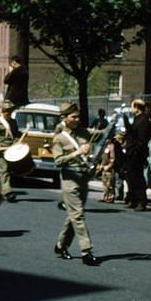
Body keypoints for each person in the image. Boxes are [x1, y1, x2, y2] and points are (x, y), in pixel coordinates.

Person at [52, 101, 100, 266]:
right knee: (78, 215)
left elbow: (98, 136)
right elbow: (58, 161)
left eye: (78, 116)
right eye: (74, 116)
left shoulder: (83, 133)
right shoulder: (59, 138)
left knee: (73, 215)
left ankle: (61, 245)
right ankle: (86, 251)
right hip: (69, 180)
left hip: (83, 177)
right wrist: (77, 152)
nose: (77, 119)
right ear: (64, 118)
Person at [0, 99, 20, 203]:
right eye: (6, 111)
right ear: (2, 111)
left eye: (10, 111)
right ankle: (8, 192)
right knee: (4, 170)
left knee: (8, 170)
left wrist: (20, 137)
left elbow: (15, 134)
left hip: (10, 149)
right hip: (0, 149)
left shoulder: (13, 122)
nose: (8, 113)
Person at [122, 99, 151, 211]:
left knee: (137, 177)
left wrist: (135, 150)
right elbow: (131, 133)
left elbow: (142, 139)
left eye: (132, 107)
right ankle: (133, 199)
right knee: (130, 177)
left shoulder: (143, 120)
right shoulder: (137, 119)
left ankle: (141, 201)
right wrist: (125, 121)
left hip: (137, 154)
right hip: (131, 152)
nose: (131, 109)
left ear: (137, 108)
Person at [97, 132, 123, 203]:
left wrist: (109, 166)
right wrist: (101, 165)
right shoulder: (105, 145)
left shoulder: (112, 146)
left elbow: (113, 158)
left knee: (110, 183)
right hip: (104, 165)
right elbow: (103, 156)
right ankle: (105, 196)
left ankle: (111, 196)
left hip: (109, 167)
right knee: (104, 182)